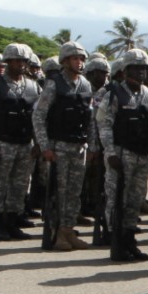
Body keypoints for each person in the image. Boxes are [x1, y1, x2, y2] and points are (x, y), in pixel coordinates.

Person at [95, 48, 148, 261]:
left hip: (142, 155)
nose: (141, 72)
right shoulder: (114, 94)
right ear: (125, 70)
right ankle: (116, 240)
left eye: (144, 68)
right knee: (116, 199)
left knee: (135, 199)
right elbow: (104, 124)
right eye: (136, 68)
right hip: (121, 155)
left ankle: (130, 238)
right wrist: (110, 152)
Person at [34, 41, 95, 250]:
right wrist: (45, 147)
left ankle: (69, 230)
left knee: (74, 192)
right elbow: (39, 115)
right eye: (75, 58)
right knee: (58, 192)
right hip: (58, 146)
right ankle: (57, 232)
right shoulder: (53, 84)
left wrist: (93, 145)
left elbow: (91, 118)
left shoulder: (85, 85)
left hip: (79, 147)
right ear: (65, 61)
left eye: (81, 59)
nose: (79, 62)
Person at [0, 43, 42, 241]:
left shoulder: (33, 86)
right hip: (3, 142)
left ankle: (13, 222)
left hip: (25, 143)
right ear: (7, 62)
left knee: (20, 184)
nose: (21, 65)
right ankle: (0, 224)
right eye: (17, 61)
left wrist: (38, 142)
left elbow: (39, 116)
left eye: (24, 61)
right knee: (1, 185)